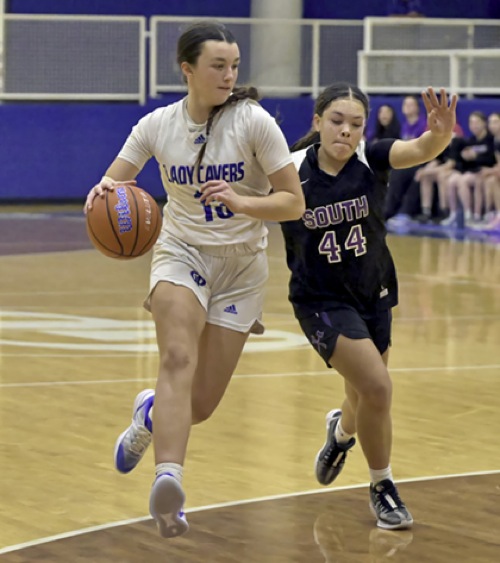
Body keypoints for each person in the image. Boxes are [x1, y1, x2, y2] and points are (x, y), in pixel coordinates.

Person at [84, 20, 305, 539]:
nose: (229, 75)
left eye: (234, 66)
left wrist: (242, 202)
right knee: (177, 358)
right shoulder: (157, 125)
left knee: (199, 404)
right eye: (217, 65)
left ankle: (148, 415)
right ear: (188, 69)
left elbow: (293, 203)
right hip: (180, 252)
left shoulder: (255, 123)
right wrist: (102, 192)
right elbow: (114, 181)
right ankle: (170, 485)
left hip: (242, 268)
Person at [282, 83, 457, 530]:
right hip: (320, 300)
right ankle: (383, 486)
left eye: (356, 124)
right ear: (318, 121)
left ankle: (341, 433)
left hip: (373, 290)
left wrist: (440, 135)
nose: (346, 131)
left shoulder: (372, 156)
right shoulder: (289, 169)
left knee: (362, 394)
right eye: (337, 121)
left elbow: (421, 149)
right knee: (377, 387)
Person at [384, 95, 428, 227]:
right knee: (393, 171)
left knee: (402, 173)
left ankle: (403, 212)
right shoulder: (404, 126)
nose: (407, 107)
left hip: (423, 161)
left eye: (411, 104)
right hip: (409, 161)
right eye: (405, 104)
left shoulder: (424, 124)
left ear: (417, 108)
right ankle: (388, 210)